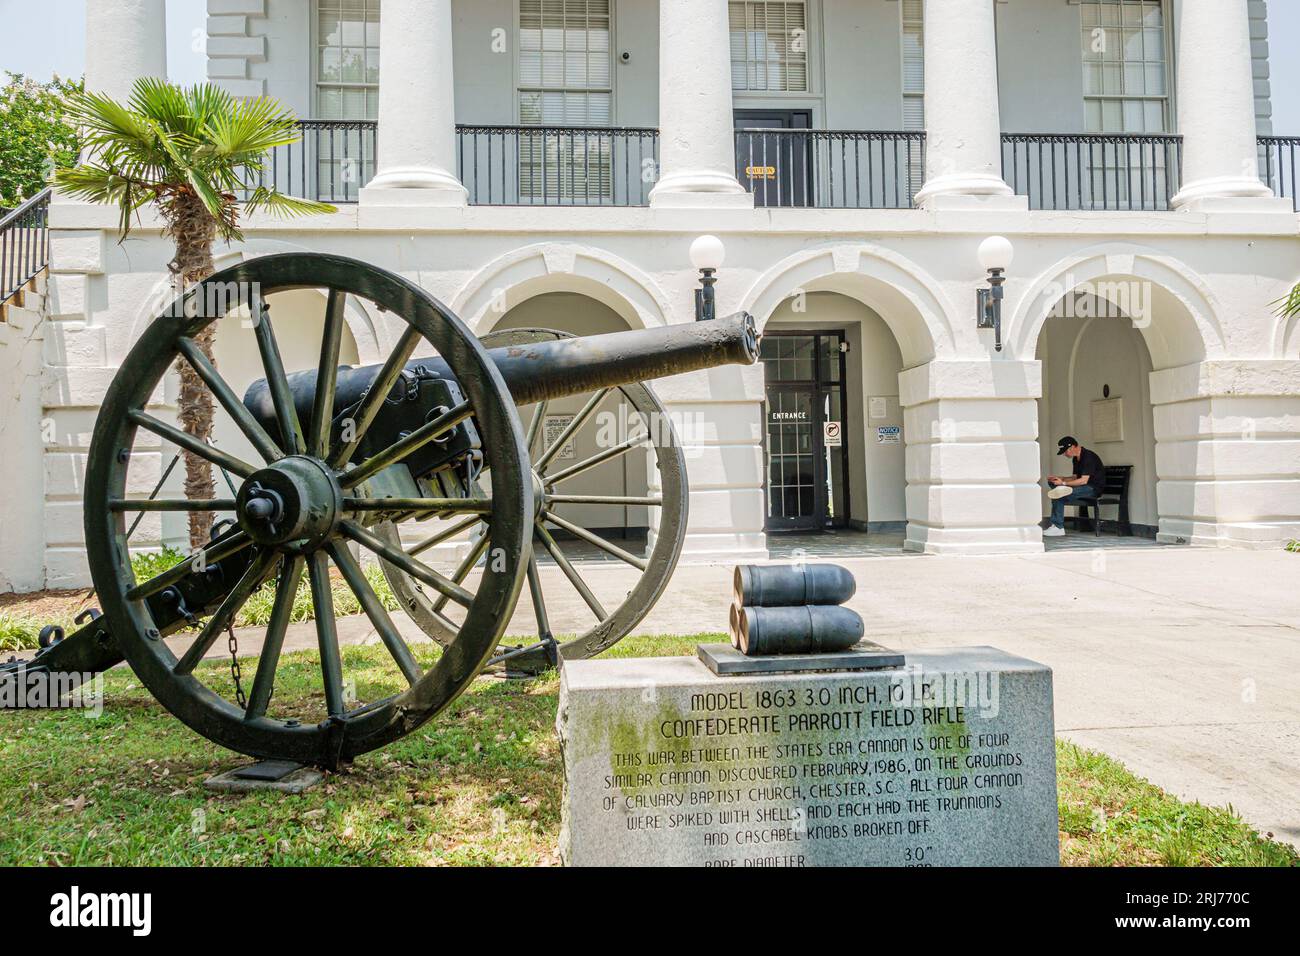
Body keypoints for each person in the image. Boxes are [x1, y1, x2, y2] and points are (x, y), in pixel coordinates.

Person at [1044, 436, 1105, 537]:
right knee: (1056, 490)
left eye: (1065, 451)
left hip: (1093, 489)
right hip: (1084, 487)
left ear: (1072, 447)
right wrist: (1061, 478)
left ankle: (1058, 527)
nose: (1064, 454)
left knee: (1059, 495)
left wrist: (1063, 483)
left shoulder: (1088, 457)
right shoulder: (1076, 459)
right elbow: (1074, 478)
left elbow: (1083, 481)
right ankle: (1056, 526)